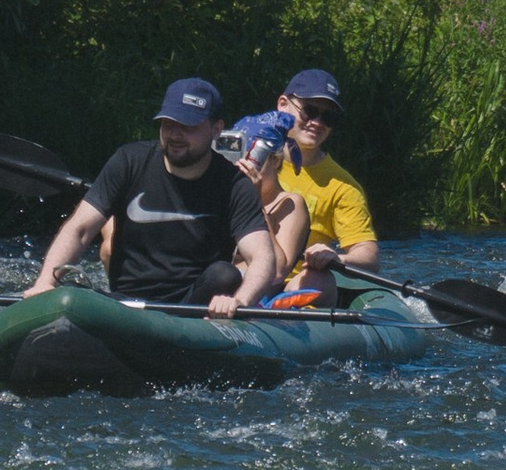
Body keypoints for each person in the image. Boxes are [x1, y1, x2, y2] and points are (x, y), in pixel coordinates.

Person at [23, 78, 281, 322]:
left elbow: (262, 258)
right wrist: (46, 282)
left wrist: (239, 301)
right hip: (127, 304)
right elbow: (79, 230)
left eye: (188, 127)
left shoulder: (235, 184)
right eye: (168, 124)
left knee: (225, 274)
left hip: (193, 309)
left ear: (216, 129)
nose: (175, 135)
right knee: (70, 295)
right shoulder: (129, 161)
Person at [273, 68, 380, 276]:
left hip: (298, 286)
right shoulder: (249, 159)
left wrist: (337, 258)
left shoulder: (344, 187)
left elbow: (368, 255)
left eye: (328, 117)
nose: (317, 123)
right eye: (309, 111)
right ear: (283, 105)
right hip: (241, 275)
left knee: (319, 280)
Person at [223, 110, 312, 289]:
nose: (242, 168)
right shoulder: (226, 198)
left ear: (275, 161)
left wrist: (254, 202)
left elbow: (277, 271)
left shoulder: (290, 203)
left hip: (258, 295)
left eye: (252, 160)